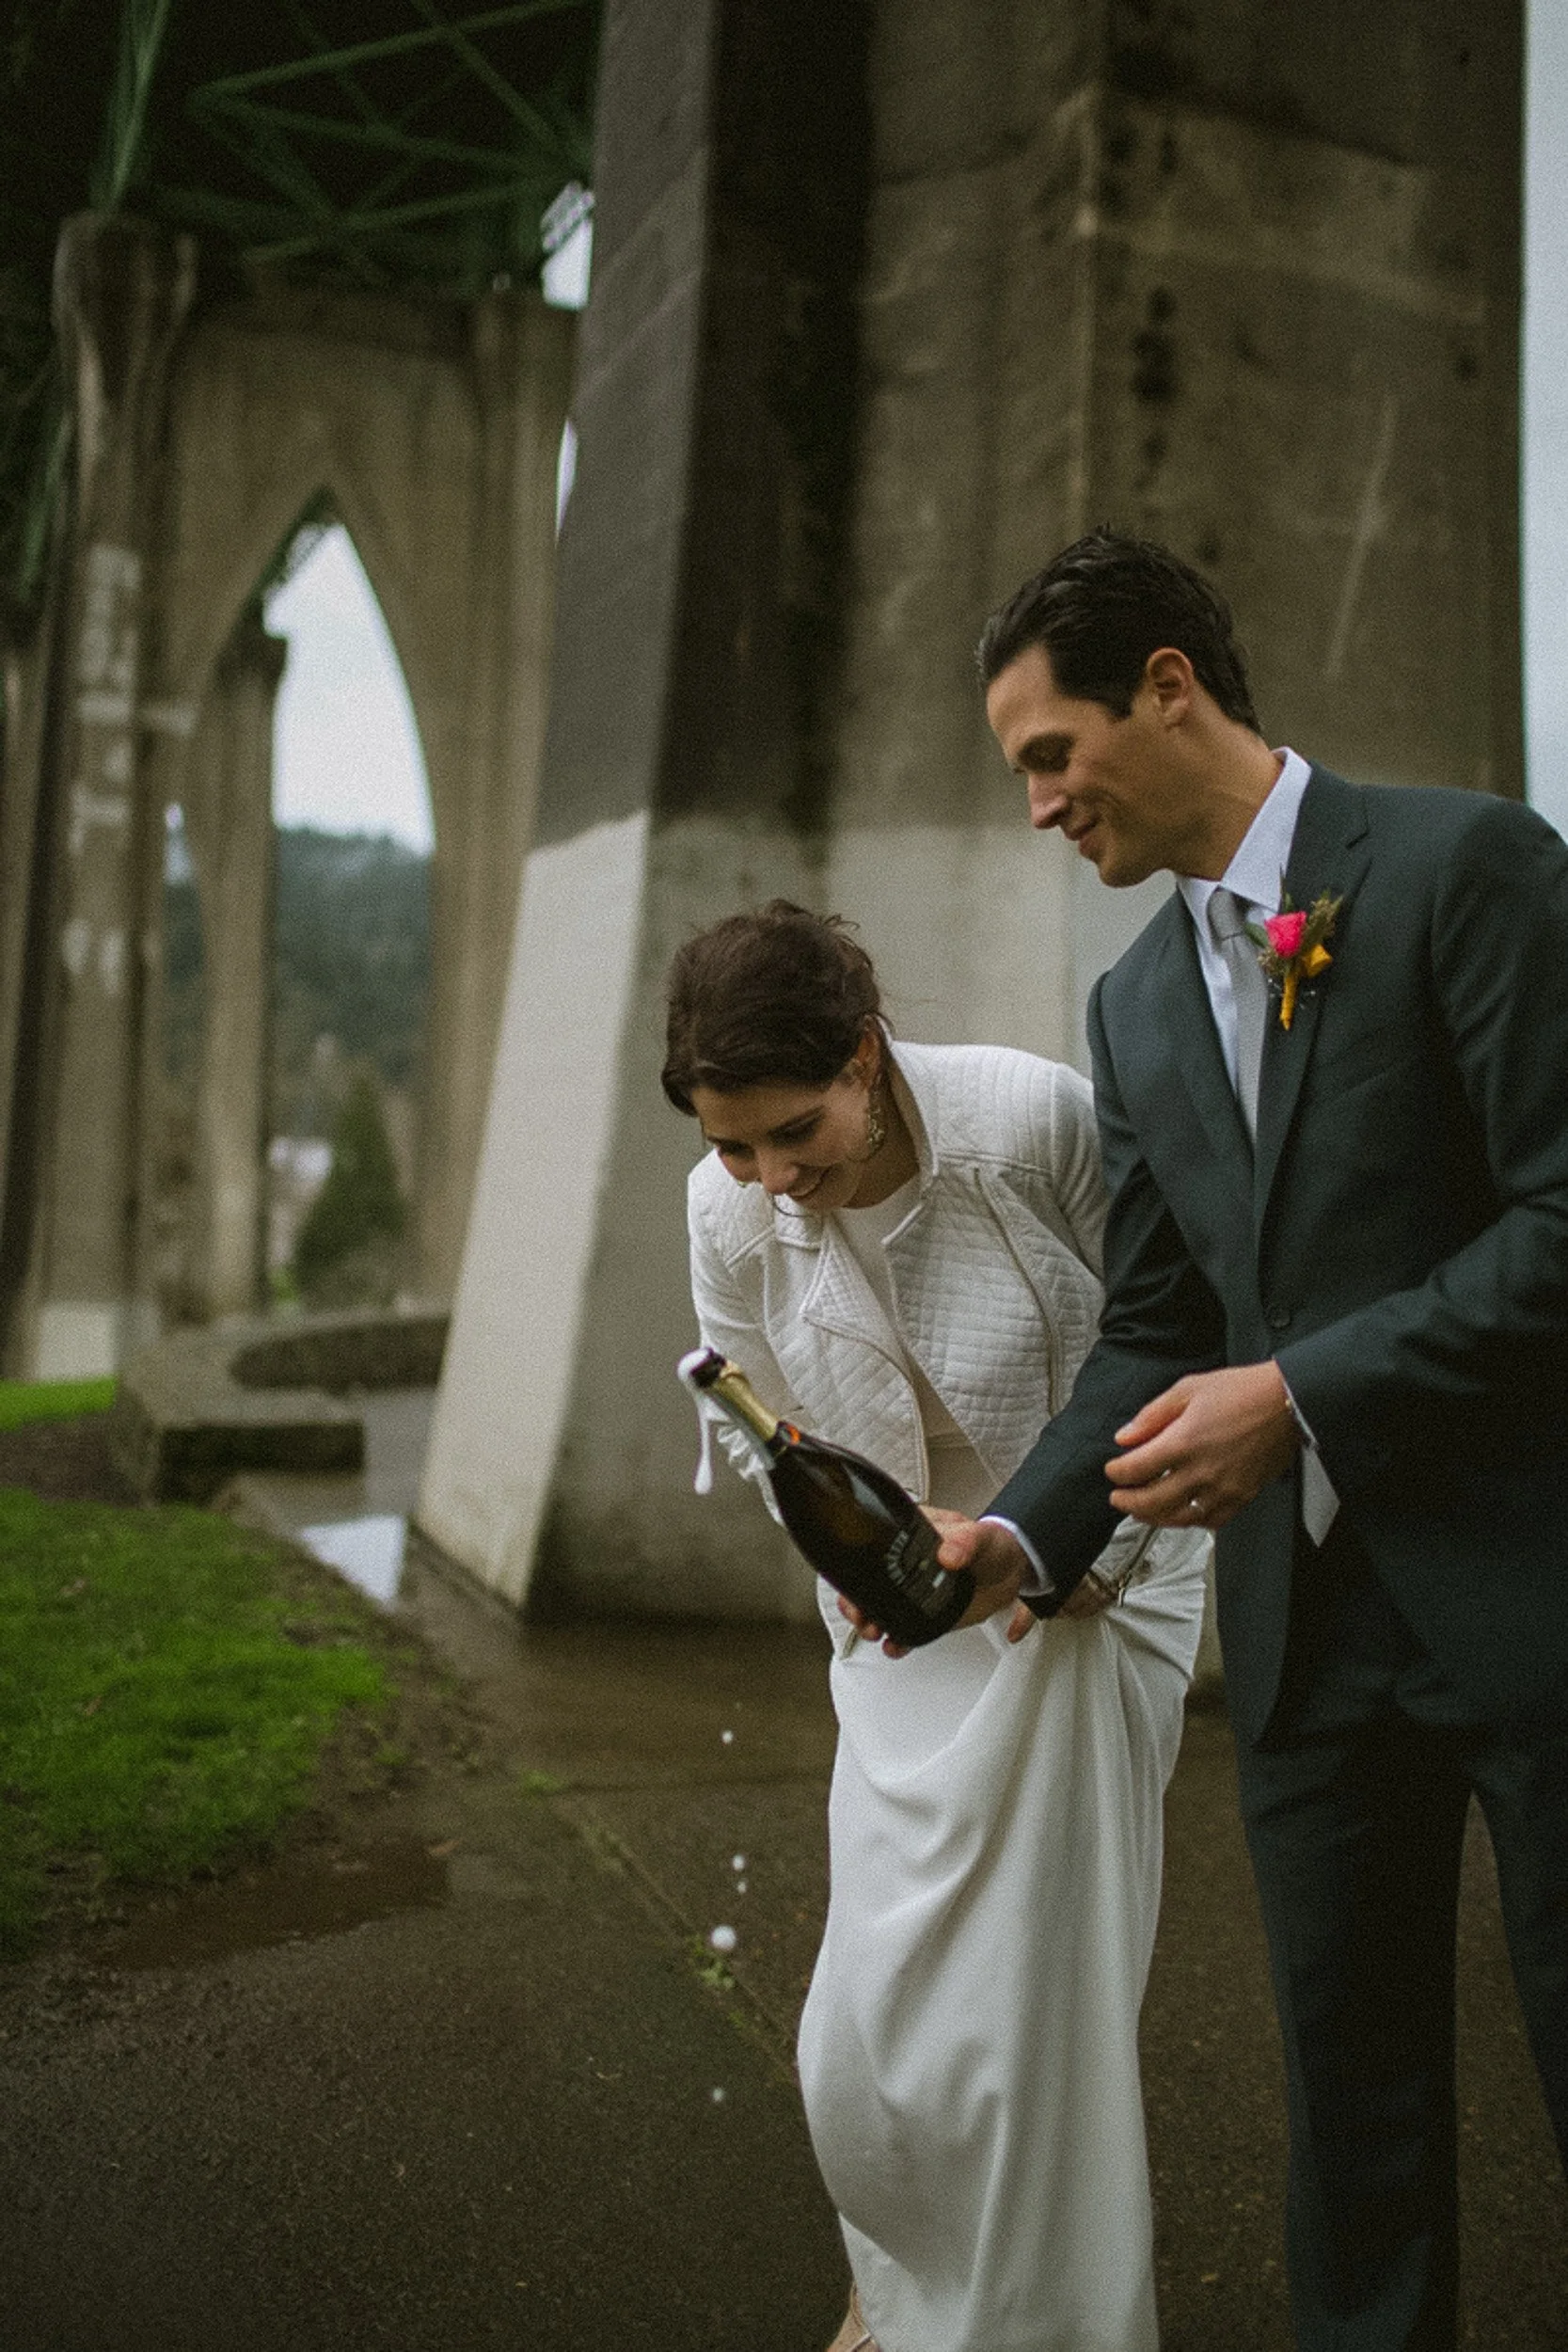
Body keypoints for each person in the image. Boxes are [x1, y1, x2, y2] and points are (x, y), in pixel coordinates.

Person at [896, 531, 1568, 2351]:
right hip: (1306, 1638)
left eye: (1052, 753)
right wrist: (1020, 1539)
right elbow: (1164, 1333)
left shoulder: (1466, 866)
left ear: (1172, 688)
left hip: (1533, 1594)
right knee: (1346, 2125)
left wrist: (1310, 1396)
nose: (1039, 806)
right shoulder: (1127, 1008)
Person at [661, 902, 1208, 2352]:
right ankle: (904, 2283)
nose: (772, 1182)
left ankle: (1026, 2324)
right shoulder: (723, 1208)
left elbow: (1171, 1327)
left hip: (1090, 1581)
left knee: (1023, 2023)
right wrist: (855, 1566)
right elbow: (763, 1431)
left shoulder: (1027, 1122)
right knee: (872, 2026)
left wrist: (1069, 1549)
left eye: (796, 1135)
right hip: (901, 1617)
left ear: (864, 1056)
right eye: (733, 1146)